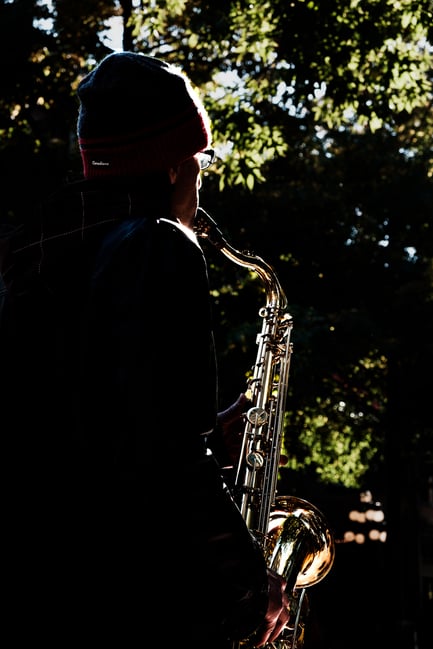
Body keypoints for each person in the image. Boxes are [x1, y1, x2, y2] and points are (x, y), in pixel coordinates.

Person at [0, 52, 290, 647]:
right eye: (202, 161)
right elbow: (165, 461)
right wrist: (248, 578)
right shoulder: (161, 246)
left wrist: (206, 425)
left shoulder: (32, 254)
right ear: (173, 166)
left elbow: (87, 426)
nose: (201, 180)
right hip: (135, 601)